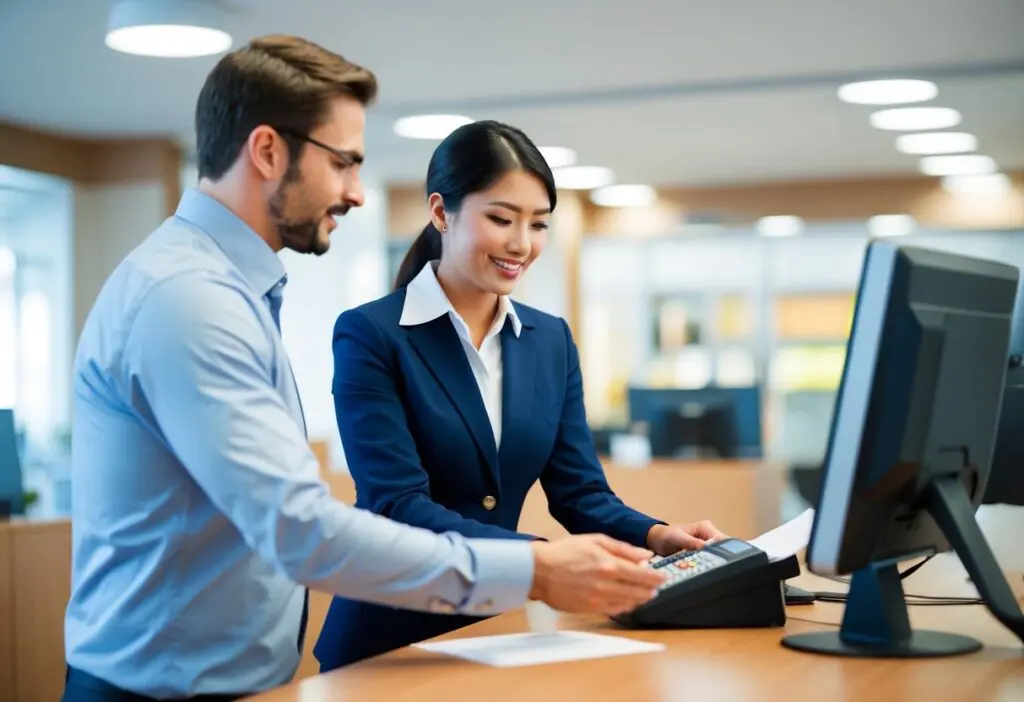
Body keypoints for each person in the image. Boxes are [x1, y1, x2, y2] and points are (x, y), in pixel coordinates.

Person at [61, 36, 665, 702]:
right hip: (159, 691)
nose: (355, 192)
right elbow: (303, 530)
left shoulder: (231, 291)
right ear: (267, 151)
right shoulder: (190, 300)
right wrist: (536, 568)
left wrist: (633, 544)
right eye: (343, 163)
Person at [313, 120, 725, 671]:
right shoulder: (372, 334)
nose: (522, 244)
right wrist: (543, 560)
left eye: (539, 224)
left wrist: (657, 536)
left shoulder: (549, 339)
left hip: (494, 631)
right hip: (389, 637)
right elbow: (397, 504)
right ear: (441, 212)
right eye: (501, 219)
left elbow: (579, 493)